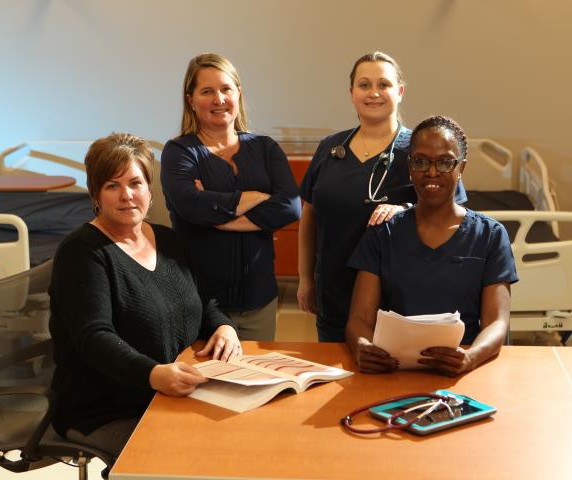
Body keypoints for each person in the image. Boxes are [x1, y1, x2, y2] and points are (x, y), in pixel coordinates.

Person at [49, 133, 241, 461]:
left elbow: (203, 302)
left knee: (242, 441)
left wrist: (223, 327)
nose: (127, 196)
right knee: (192, 458)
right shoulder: (82, 253)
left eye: (135, 183)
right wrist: (153, 375)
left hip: (172, 392)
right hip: (109, 407)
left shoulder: (168, 240)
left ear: (149, 190)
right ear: (95, 193)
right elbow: (95, 339)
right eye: (112, 186)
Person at [298, 51, 467, 342]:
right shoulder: (330, 148)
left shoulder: (422, 149)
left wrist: (405, 207)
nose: (374, 93)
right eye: (364, 85)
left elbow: (454, 216)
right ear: (352, 93)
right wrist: (305, 279)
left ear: (399, 92)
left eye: (384, 85)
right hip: (334, 291)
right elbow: (309, 217)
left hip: (399, 297)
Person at [346, 115, 518, 376]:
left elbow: (497, 322)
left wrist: (471, 357)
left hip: (462, 374)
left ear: (461, 168)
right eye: (422, 161)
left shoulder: (490, 236)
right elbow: (359, 319)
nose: (432, 172)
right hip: (393, 372)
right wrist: (363, 348)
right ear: (410, 166)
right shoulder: (383, 233)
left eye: (446, 162)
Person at [161, 53, 301, 341]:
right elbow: (191, 205)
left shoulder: (265, 148)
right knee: (204, 383)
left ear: (238, 93)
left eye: (226, 89)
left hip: (259, 300)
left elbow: (290, 206)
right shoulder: (179, 152)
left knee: (257, 382)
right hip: (201, 301)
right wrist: (259, 197)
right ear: (190, 100)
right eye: (207, 91)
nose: (219, 99)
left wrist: (220, 217)